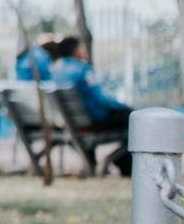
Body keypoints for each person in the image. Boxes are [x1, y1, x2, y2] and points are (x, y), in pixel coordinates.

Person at [46, 36, 135, 174]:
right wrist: (123, 106)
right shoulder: (82, 69)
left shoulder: (54, 71)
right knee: (133, 118)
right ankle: (123, 161)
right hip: (93, 120)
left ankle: (101, 160)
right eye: (81, 48)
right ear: (75, 51)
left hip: (71, 122)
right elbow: (100, 98)